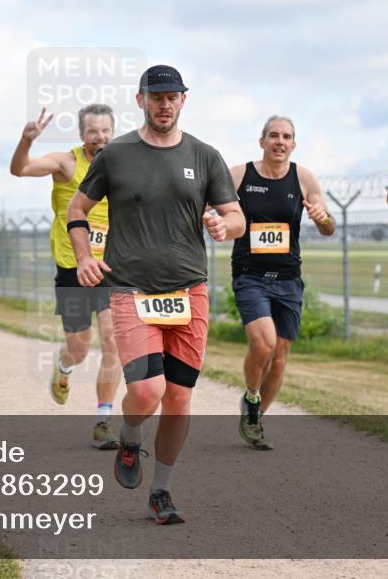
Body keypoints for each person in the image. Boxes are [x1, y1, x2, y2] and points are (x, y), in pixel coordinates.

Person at [68, 65, 244, 525]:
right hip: (131, 289)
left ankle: (161, 492)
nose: (164, 105)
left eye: (172, 97)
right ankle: (129, 436)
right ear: (140, 99)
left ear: (184, 99)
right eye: (156, 96)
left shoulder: (205, 155)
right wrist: (85, 256)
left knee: (180, 399)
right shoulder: (117, 154)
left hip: (191, 291)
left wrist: (226, 225)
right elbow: (77, 208)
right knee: (147, 391)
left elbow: (236, 216)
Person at [10, 104, 123, 450]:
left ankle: (103, 420)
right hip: (73, 267)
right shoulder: (66, 163)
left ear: (113, 132)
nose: (100, 137)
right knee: (79, 346)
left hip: (112, 267)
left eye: (105, 131)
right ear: (81, 134)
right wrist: (25, 141)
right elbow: (20, 169)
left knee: (113, 341)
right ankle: (64, 364)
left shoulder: (124, 165)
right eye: (93, 131)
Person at [229, 116, 336, 450]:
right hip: (250, 275)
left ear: (293, 144)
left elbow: (328, 225)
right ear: (261, 141)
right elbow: (212, 208)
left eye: (286, 136)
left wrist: (323, 219)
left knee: (280, 357)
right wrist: (213, 217)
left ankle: (255, 417)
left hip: (289, 278)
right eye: (273, 135)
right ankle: (251, 395)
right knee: (264, 344)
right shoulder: (239, 175)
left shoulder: (303, 178)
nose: (279, 141)